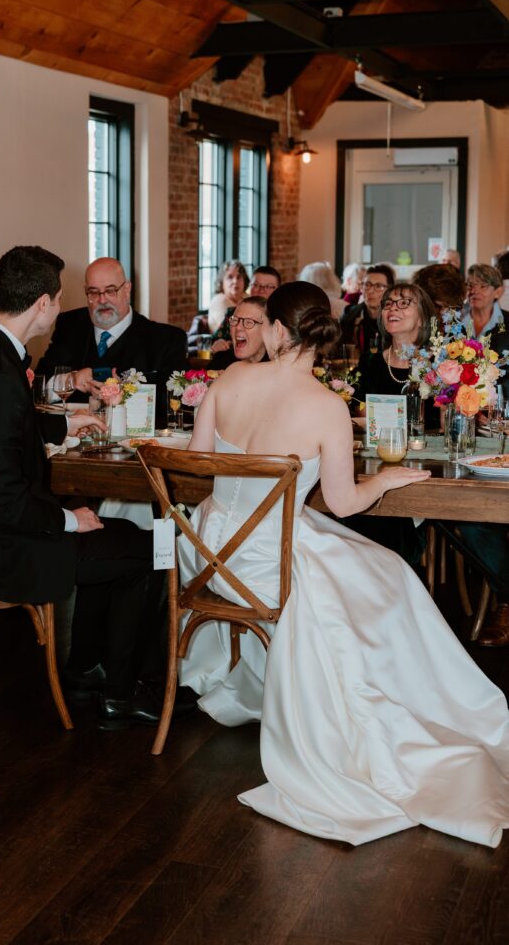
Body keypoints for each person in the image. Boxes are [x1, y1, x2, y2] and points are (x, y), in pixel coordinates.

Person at [178, 280, 509, 848]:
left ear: (277, 330)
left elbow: (195, 463)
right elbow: (346, 501)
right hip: (268, 560)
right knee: (392, 575)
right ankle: (404, 697)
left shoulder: (229, 380)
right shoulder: (326, 407)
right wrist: (381, 477)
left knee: (362, 563)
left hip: (207, 551)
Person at [0, 246, 166, 729]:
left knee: (111, 535)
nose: (60, 308)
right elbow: (8, 500)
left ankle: (84, 670)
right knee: (146, 549)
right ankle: (119, 693)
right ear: (42, 304)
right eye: (58, 299)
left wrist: (61, 428)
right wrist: (69, 520)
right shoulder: (1, 376)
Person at [38, 256, 186, 424]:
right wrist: (69, 381)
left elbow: (172, 409)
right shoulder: (70, 325)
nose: (102, 300)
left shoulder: (166, 340)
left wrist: (125, 398)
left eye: (110, 290)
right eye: (93, 292)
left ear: (127, 289)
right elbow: (38, 389)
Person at [210, 265, 279, 353]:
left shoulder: (283, 317)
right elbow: (214, 341)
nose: (261, 290)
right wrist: (218, 343)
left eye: (269, 286)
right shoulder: (234, 313)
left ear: (278, 290)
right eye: (256, 285)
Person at [340, 263, 394, 354]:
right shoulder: (350, 315)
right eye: (367, 285)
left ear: (390, 291)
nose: (370, 291)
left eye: (378, 286)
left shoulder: (396, 319)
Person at [210, 297, 269, 369]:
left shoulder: (277, 367)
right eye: (235, 320)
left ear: (267, 330)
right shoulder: (220, 361)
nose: (238, 327)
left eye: (249, 322)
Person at [463, 263, 509, 346]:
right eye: (470, 286)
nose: (474, 291)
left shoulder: (507, 322)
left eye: (483, 286)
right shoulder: (456, 320)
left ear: (497, 292)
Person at [207, 260, 249, 334]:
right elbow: (232, 330)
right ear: (221, 282)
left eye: (239, 277)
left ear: (244, 280)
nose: (235, 281)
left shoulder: (247, 298)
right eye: (230, 277)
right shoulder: (219, 301)